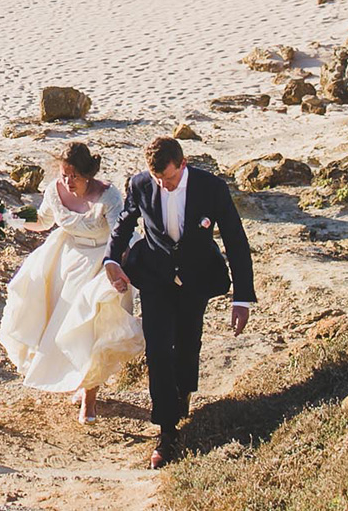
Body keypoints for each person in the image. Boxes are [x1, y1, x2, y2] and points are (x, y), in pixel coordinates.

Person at [104, 136, 255, 469]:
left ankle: (184, 391)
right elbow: (124, 223)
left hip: (196, 277)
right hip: (155, 277)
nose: (164, 185)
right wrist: (111, 260)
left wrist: (242, 297)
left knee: (188, 345)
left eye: (169, 179)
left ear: (182, 164)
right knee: (157, 350)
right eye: (159, 180)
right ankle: (167, 431)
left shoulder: (211, 187)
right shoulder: (141, 184)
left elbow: (235, 239)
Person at [0, 142, 143, 422]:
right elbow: (42, 220)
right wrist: (7, 218)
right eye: (64, 174)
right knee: (57, 322)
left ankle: (89, 400)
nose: (68, 181)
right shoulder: (55, 190)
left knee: (93, 326)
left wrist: (116, 269)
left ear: (88, 173)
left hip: (106, 258)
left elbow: (120, 235)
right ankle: (76, 379)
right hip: (67, 258)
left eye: (74, 176)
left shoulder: (108, 196)